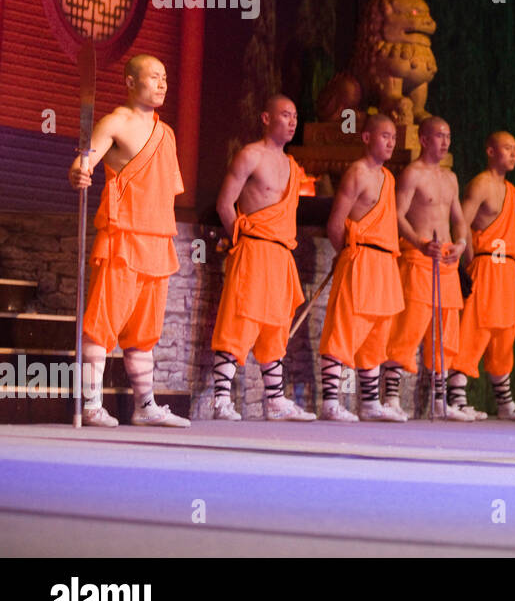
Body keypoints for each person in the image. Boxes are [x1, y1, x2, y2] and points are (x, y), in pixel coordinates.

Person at [68, 54, 189, 427]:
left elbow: (169, 190)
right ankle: (90, 405)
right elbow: (84, 160)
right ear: (130, 82)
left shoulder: (166, 133)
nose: (162, 84)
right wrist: (79, 172)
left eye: (165, 77)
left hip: (158, 242)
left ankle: (145, 406)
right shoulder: (115, 122)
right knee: (102, 325)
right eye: (154, 77)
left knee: (144, 333)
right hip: (123, 239)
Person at [209, 94, 315, 422]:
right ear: (266, 118)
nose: (292, 121)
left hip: (281, 255)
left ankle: (275, 401)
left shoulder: (293, 166)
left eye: (295, 116)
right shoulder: (250, 155)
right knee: (240, 321)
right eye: (285, 115)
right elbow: (224, 204)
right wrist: (240, 238)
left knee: (276, 328)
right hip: (253, 249)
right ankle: (221, 400)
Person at [448, 132, 515, 421]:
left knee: (504, 337)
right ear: (490, 151)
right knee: (475, 331)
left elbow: (510, 243)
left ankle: (505, 403)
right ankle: (456, 399)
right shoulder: (481, 183)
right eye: (507, 148)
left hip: (507, 271)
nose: (513, 154)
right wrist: (467, 261)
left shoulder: (512, 191)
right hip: (485, 267)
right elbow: (461, 222)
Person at [317, 114, 406, 422]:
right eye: (385, 136)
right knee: (345, 330)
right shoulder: (357, 172)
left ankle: (369, 403)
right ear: (367, 137)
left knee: (376, 334)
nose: (391, 142)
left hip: (386, 263)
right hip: (360, 258)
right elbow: (335, 224)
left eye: (393, 137)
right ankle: (331, 402)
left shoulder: (390, 179)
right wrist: (347, 254)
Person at [385, 116, 473, 421]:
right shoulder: (412, 174)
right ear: (424, 139)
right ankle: (391, 397)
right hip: (421, 260)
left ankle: (440, 400)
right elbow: (397, 215)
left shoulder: (450, 178)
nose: (445, 142)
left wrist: (461, 244)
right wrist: (420, 243)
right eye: (439, 136)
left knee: (446, 334)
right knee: (409, 328)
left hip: (447, 261)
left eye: (448, 136)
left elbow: (459, 219)